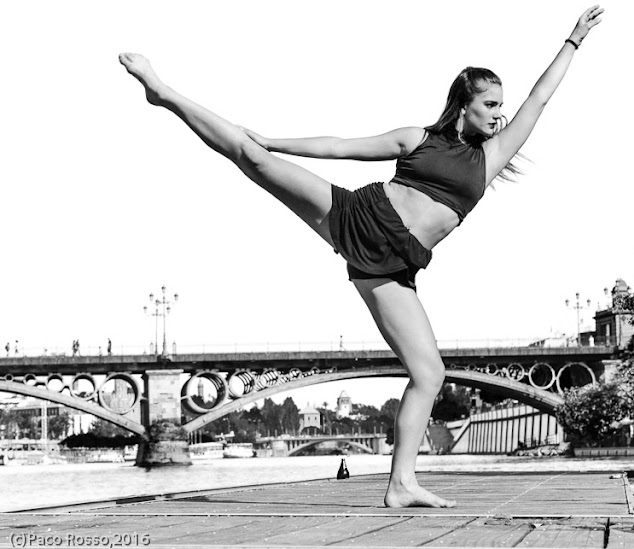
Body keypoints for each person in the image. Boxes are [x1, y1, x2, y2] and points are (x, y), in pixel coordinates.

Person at [119, 6, 603, 507]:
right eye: (490, 103)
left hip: (393, 265)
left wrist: (573, 40)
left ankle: (401, 485)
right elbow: (340, 147)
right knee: (253, 155)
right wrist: (274, 141)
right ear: (465, 105)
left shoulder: (491, 156)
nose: (500, 113)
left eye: (502, 104)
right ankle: (164, 93)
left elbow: (540, 97)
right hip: (358, 217)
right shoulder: (418, 139)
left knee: (430, 374)